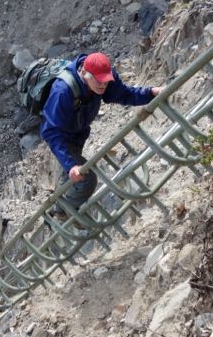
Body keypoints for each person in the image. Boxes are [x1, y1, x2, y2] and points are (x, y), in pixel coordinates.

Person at [40, 52, 163, 216]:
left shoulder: (105, 79)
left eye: (106, 80)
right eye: (98, 80)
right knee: (86, 178)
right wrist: (70, 165)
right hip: (62, 136)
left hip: (79, 132)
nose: (103, 85)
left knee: (73, 176)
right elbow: (51, 131)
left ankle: (61, 212)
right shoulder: (62, 92)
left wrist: (151, 92)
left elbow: (125, 94)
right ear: (84, 73)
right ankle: (63, 216)